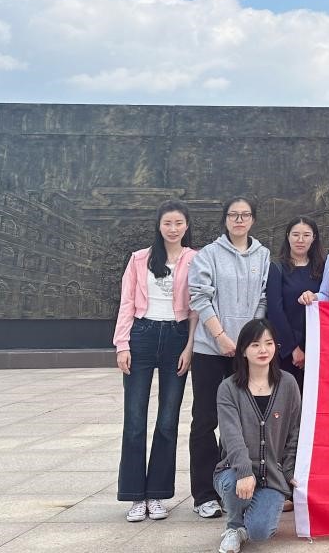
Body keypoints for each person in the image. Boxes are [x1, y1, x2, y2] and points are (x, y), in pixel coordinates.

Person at [114, 200, 198, 523]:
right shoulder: (139, 259)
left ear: (186, 225)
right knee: (135, 419)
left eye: (178, 223)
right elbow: (126, 302)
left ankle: (158, 494)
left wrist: (189, 346)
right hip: (142, 335)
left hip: (177, 336)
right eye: (167, 223)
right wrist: (122, 344)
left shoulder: (195, 259)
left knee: (167, 419)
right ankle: (135, 495)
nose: (173, 229)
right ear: (159, 225)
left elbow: (196, 307)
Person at [188, 196, 271, 520]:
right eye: (233, 215)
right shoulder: (208, 254)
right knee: (205, 419)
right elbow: (200, 297)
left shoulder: (262, 255)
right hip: (210, 350)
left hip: (244, 353)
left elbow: (262, 299)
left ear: (253, 219)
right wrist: (221, 337)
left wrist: (248, 341)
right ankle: (204, 495)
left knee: (241, 420)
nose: (239, 220)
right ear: (225, 219)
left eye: (245, 215)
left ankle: (233, 487)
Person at [213, 318, 301, 553]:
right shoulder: (229, 388)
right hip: (233, 471)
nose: (263, 350)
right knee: (234, 484)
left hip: (272, 476)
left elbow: (294, 432)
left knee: (260, 532)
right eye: (255, 345)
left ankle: (247, 519)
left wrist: (288, 471)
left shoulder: (288, 383)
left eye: (269, 343)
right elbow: (231, 436)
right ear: (243, 350)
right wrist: (244, 472)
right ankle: (233, 527)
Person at [265, 216, 324, 390]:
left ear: (314, 238)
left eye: (306, 235)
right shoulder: (277, 268)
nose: (300, 240)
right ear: (287, 236)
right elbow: (275, 311)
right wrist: (293, 348)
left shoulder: (322, 267)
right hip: (286, 348)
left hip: (316, 345)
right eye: (296, 234)